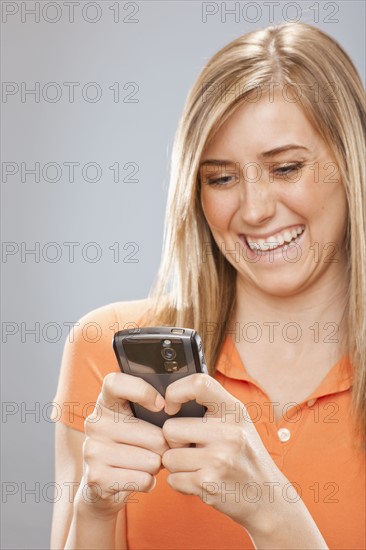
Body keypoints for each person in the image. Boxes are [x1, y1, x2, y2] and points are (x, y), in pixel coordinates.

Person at [50, 21, 366, 550]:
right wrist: (95, 509)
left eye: (286, 168)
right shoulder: (103, 351)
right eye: (221, 178)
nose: (255, 209)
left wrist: (273, 516)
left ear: (352, 164)